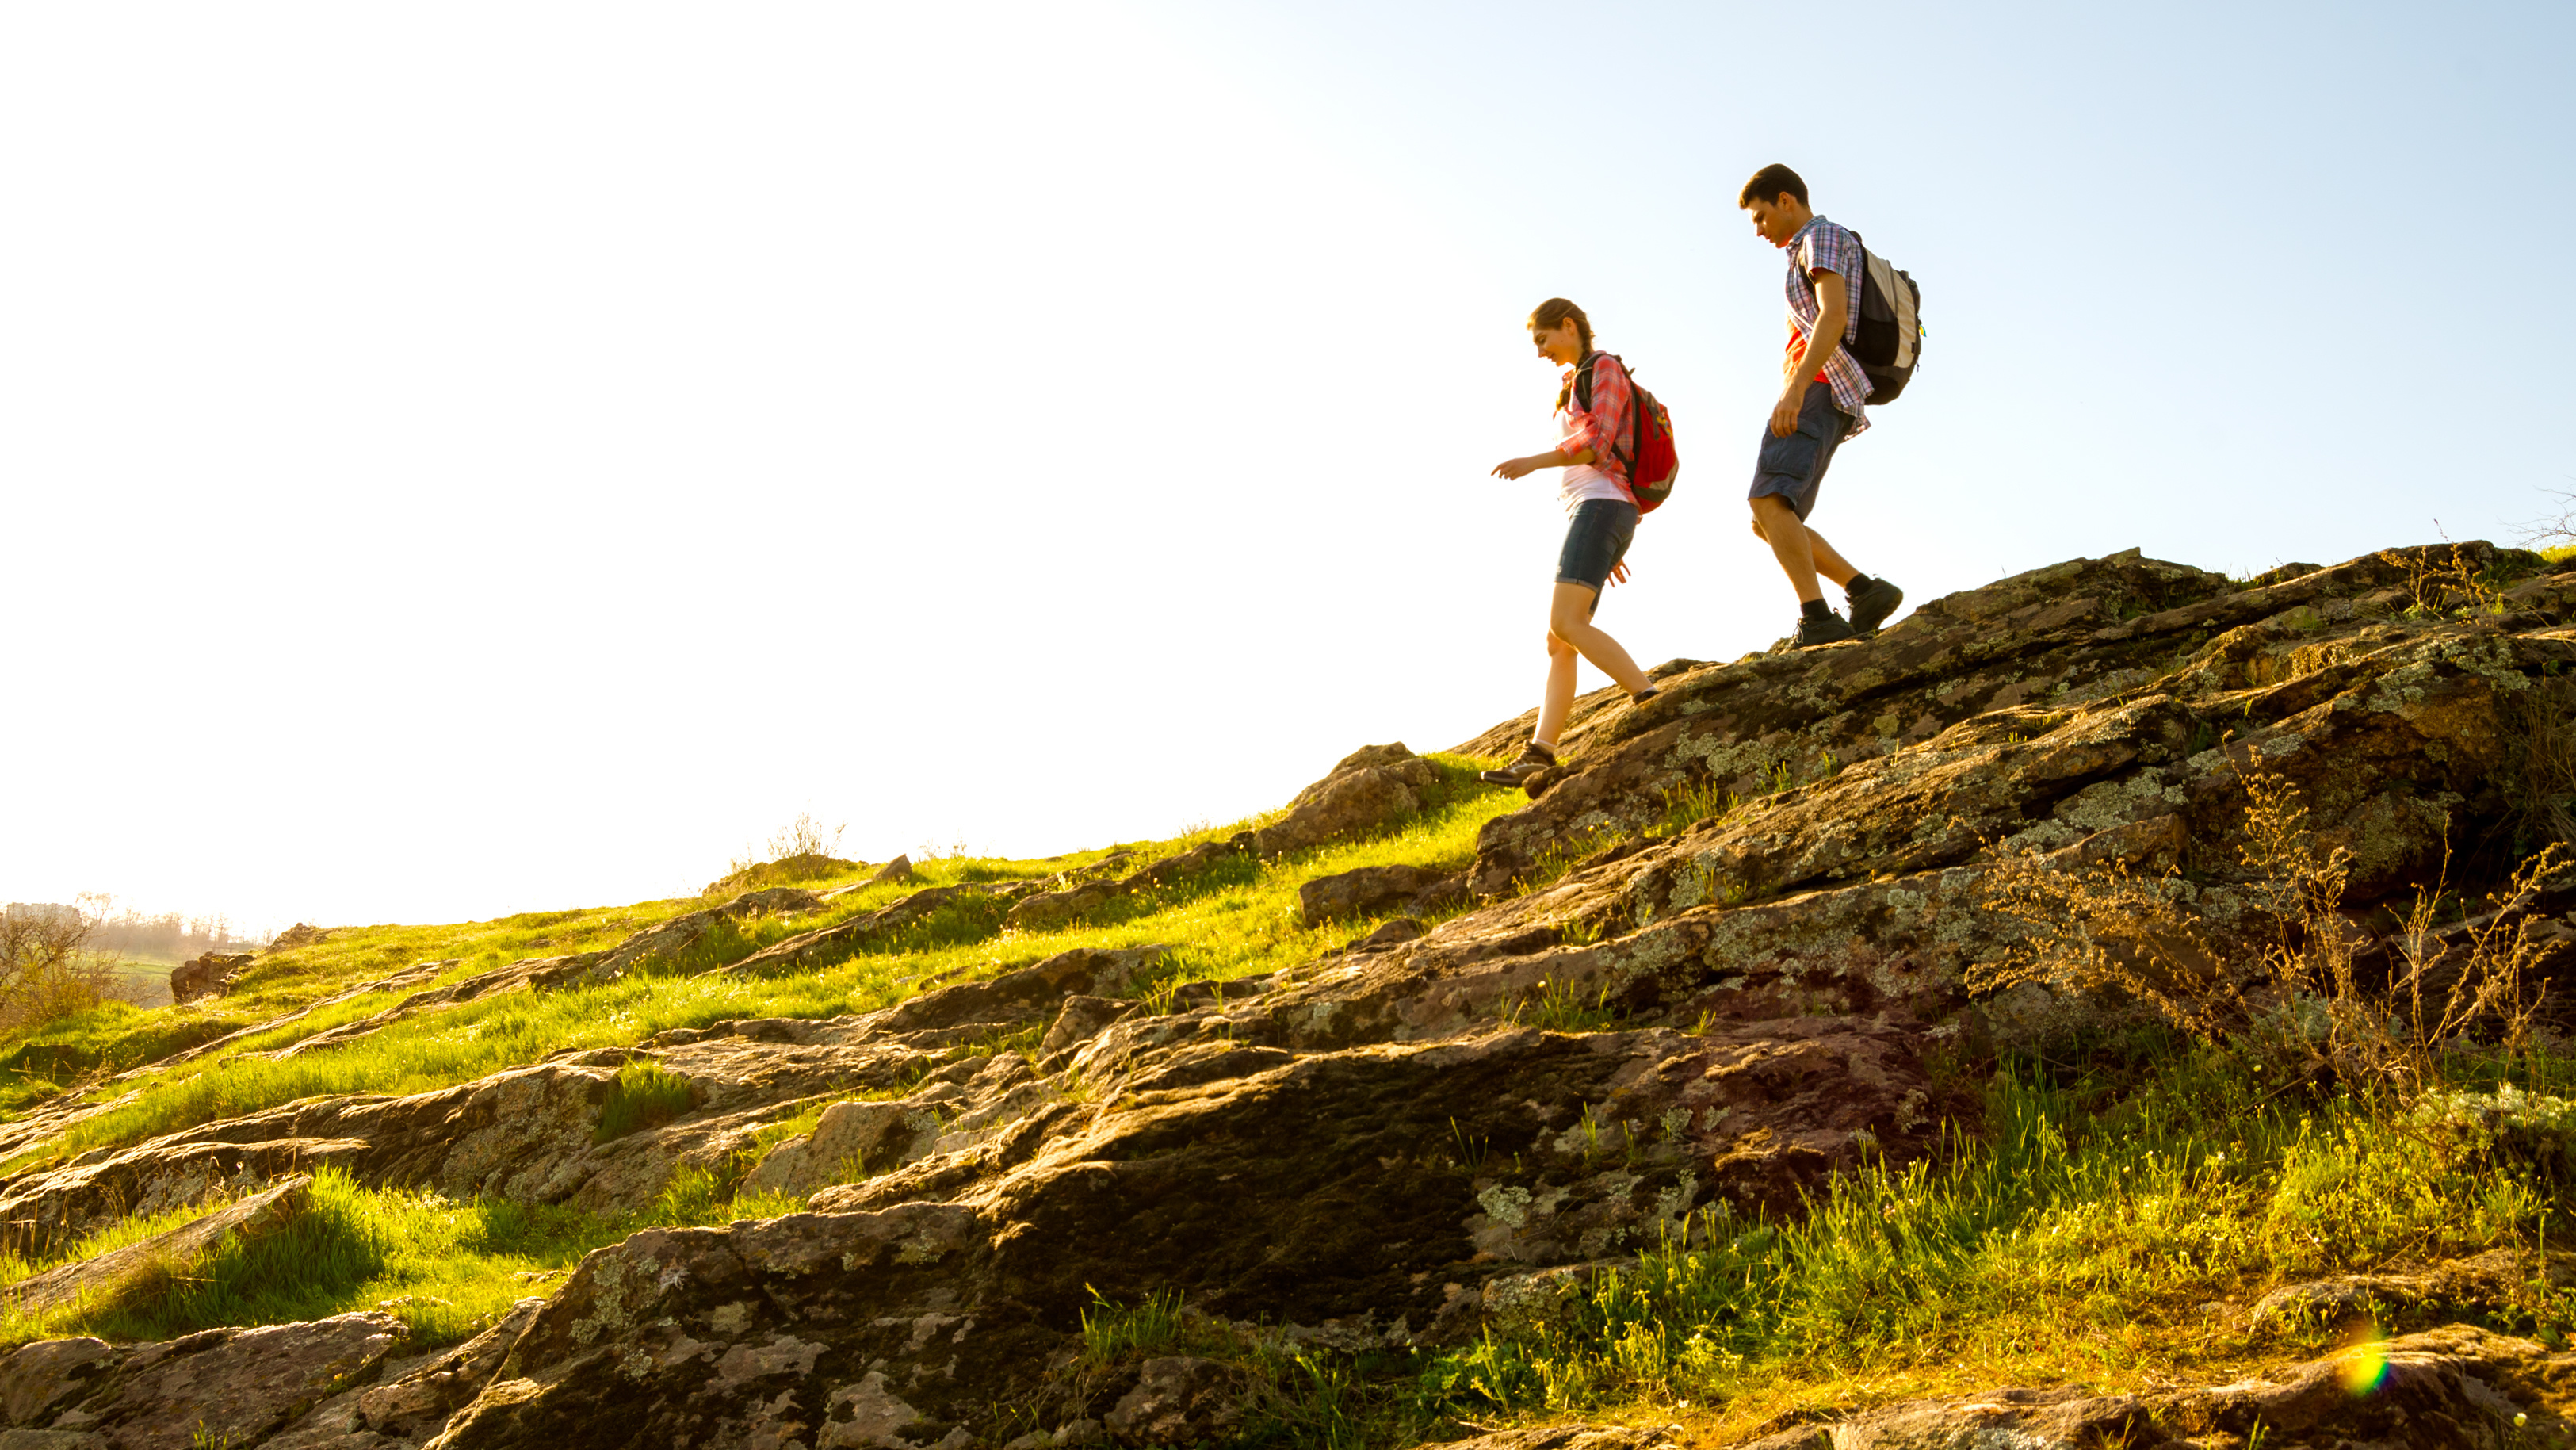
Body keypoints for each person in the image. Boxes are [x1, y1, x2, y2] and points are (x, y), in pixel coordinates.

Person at [1480, 298, 1661, 788]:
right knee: (1559, 639)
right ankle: (1539, 754)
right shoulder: (1572, 383)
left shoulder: (1601, 368)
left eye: (1542, 339)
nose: (1539, 351)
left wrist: (1532, 462)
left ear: (1567, 326)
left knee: (1565, 623)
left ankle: (1651, 701)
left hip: (1601, 509)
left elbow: (1597, 445)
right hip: (1599, 514)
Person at [1737, 163, 1905, 648]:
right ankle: (1864, 590)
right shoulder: (1812, 246)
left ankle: (1818, 620)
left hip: (1821, 384)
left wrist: (1794, 390)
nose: (1759, 230)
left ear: (1786, 200)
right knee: (1767, 519)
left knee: (1768, 500)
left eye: (1761, 217)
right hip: (1827, 388)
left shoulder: (1820, 238)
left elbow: (1831, 317)